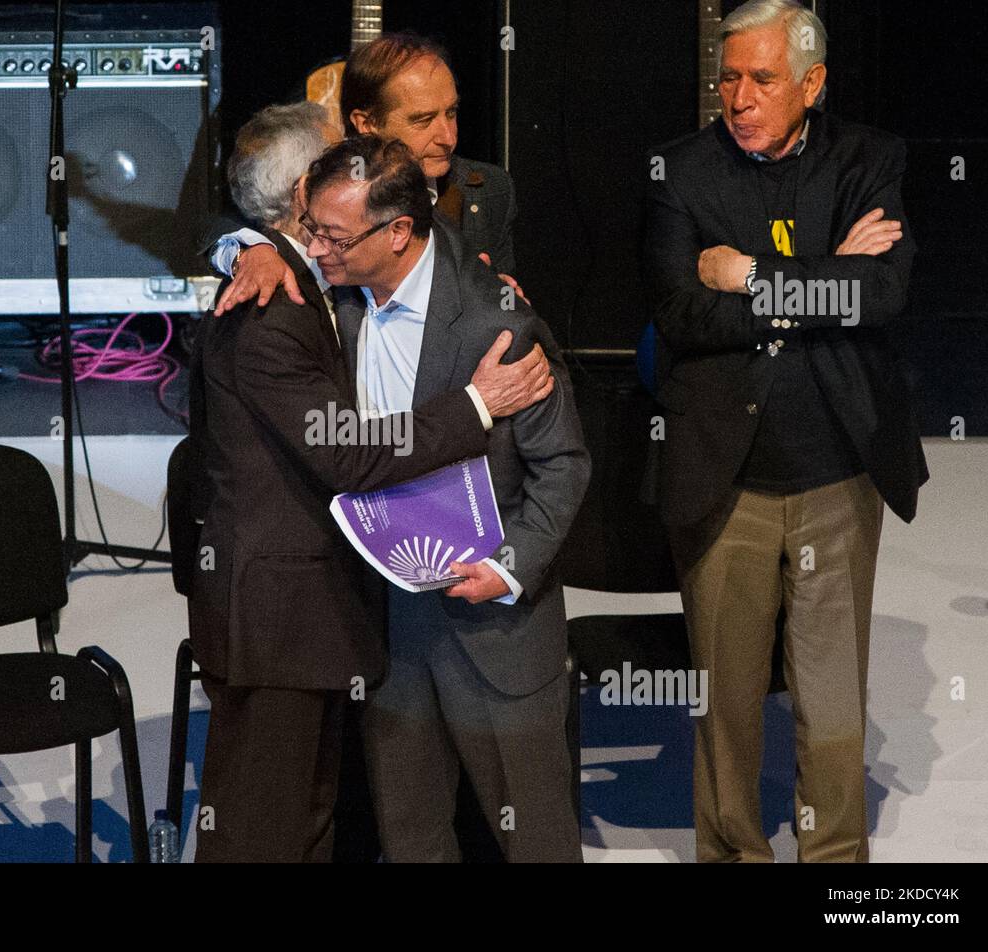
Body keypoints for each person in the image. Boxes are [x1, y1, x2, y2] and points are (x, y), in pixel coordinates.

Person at [188, 104, 554, 862]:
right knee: (262, 836)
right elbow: (349, 453)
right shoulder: (271, 311)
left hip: (306, 619)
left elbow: (409, 235)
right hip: (275, 623)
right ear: (304, 197)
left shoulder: (304, 279)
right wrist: (479, 405)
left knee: (304, 827)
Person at [642, 0, 927, 862]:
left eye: (762, 78)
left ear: (813, 82)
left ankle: (836, 864)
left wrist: (751, 276)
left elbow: (877, 296)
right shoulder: (678, 172)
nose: (739, 96)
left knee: (833, 707)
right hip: (726, 480)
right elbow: (681, 313)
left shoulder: (870, 159)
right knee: (726, 709)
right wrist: (824, 276)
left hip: (838, 471)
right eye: (728, 77)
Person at [303, 135, 587, 862]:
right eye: (312, 230)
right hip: (390, 629)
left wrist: (510, 567)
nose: (316, 248)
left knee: (537, 843)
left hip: (495, 629)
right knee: (411, 840)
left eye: (332, 235)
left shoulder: (500, 322)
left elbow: (564, 467)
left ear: (397, 232)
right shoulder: (332, 309)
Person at [211, 31, 522, 316]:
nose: (448, 137)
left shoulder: (487, 189)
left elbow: (504, 303)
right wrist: (252, 248)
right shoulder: (332, 183)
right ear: (366, 123)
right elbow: (220, 223)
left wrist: (502, 302)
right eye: (424, 120)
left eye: (451, 112)